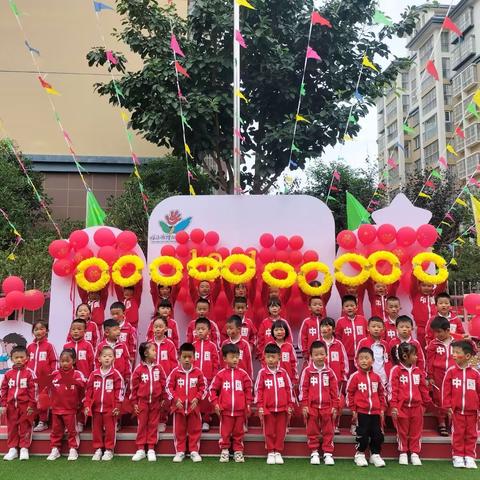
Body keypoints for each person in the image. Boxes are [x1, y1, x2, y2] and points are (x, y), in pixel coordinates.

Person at [389, 342, 431, 466]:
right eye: (414, 355)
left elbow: (423, 388)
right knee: (402, 431)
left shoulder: (418, 371)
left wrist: (426, 403)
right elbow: (393, 389)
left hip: (416, 407)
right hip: (402, 408)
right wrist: (394, 406)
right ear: (405, 356)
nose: (417, 357)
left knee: (416, 431)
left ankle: (414, 453)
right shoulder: (396, 371)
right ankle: (403, 452)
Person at [209, 343, 253, 463]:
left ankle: (238, 451)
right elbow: (212, 390)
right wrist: (216, 403)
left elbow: (249, 390)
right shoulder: (220, 374)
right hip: (225, 411)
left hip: (240, 411)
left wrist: (248, 404)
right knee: (225, 432)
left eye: (237, 356)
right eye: (232, 356)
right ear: (224, 359)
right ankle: (224, 451)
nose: (235, 359)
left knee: (239, 432)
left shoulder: (243, 374)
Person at [254, 343, 295, 465]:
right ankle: (270, 451)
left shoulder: (283, 373)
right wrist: (260, 406)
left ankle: (278, 451)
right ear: (264, 358)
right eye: (268, 357)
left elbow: (289, 389)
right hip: (268, 409)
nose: (270, 360)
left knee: (281, 431)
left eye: (273, 357)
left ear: (279, 358)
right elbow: (258, 390)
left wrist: (290, 405)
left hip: (282, 409)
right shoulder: (262, 373)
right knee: (269, 431)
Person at [299, 340, 338, 466]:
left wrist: (335, 406)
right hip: (312, 407)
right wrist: (304, 405)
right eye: (316, 355)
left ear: (326, 355)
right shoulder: (308, 371)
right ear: (311, 356)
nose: (319, 357)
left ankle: (328, 453)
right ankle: (314, 452)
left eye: (322, 354)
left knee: (328, 430)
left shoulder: (330, 372)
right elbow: (303, 389)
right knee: (312, 430)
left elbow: (334, 391)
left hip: (327, 406)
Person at [166, 343, 207, 463]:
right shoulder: (175, 372)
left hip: (193, 408)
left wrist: (198, 398)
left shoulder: (198, 372)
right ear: (179, 357)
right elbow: (168, 387)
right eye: (184, 357)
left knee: (195, 429)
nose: (187, 359)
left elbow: (204, 387)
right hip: (178, 408)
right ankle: (180, 451)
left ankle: (194, 451)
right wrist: (175, 399)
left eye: (190, 357)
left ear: (194, 357)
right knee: (179, 430)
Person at [442, 340, 480, 469]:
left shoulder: (475, 374)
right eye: (453, 352)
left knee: (472, 434)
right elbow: (446, 391)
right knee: (458, 434)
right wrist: (447, 406)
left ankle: (469, 456)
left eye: (457, 352)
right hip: (457, 411)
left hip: (472, 412)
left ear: (467, 356)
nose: (453, 355)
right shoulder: (451, 372)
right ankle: (457, 455)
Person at [346, 347, 386, 468]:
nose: (363, 361)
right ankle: (360, 454)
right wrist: (353, 409)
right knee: (362, 435)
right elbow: (349, 393)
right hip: (361, 412)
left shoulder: (377, 377)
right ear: (357, 361)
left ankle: (375, 455)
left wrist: (382, 408)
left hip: (375, 412)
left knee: (377, 435)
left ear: (373, 360)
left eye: (366, 358)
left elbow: (381, 393)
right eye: (361, 358)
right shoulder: (355, 377)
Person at [84, 345, 124, 461]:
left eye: (110, 356)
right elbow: (88, 391)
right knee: (96, 430)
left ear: (114, 359)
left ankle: (108, 450)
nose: (107, 358)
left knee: (110, 430)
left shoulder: (116, 375)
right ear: (99, 359)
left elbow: (120, 391)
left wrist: (117, 406)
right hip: (96, 409)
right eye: (104, 356)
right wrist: (87, 405)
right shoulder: (94, 374)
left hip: (110, 409)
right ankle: (98, 449)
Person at [46, 349, 86, 461]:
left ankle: (73, 449)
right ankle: (55, 449)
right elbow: (46, 387)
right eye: (62, 361)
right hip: (56, 409)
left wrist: (71, 380)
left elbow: (84, 385)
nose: (64, 363)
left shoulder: (78, 374)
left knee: (72, 431)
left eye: (67, 361)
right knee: (55, 431)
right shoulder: (55, 374)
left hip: (70, 409)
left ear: (73, 361)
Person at [130, 342, 166, 462]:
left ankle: (151, 449)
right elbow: (133, 388)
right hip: (142, 403)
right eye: (153, 350)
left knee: (153, 425)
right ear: (145, 353)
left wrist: (163, 398)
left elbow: (163, 383)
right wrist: (134, 403)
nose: (156, 352)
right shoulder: (138, 370)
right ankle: (140, 449)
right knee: (142, 425)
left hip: (155, 402)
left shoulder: (159, 368)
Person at [0, 345, 36, 461]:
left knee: (25, 427)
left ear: (27, 358)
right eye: (16, 358)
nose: (19, 360)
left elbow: (34, 391)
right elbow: (4, 389)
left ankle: (24, 448)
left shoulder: (30, 374)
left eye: (22, 357)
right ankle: (13, 449)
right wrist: (3, 404)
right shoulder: (8, 374)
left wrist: (31, 405)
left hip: (25, 406)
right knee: (12, 427)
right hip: (11, 406)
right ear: (11, 359)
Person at [63, 318, 95, 432]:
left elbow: (93, 362)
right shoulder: (67, 346)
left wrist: (91, 377)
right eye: (73, 329)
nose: (76, 331)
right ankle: (70, 423)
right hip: (70, 378)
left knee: (82, 400)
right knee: (71, 400)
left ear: (85, 331)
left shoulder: (88, 345)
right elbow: (63, 361)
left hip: (84, 379)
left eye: (79, 329)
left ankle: (81, 422)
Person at [27, 320, 57, 433]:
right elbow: (26, 361)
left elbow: (55, 361)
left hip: (44, 379)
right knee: (32, 399)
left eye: (41, 328)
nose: (39, 331)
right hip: (31, 380)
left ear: (46, 331)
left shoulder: (49, 346)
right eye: (36, 329)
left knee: (43, 400)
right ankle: (32, 419)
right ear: (33, 332)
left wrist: (52, 375)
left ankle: (43, 421)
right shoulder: (30, 347)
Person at [426, 316, 454, 436]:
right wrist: (430, 376)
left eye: (439, 332)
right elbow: (430, 361)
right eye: (435, 332)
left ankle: (452, 422)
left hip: (453, 373)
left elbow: (471, 349)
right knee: (439, 398)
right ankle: (441, 422)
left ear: (448, 330)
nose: (437, 334)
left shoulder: (456, 342)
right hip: (438, 374)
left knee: (453, 397)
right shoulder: (433, 344)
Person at [320, 317, 349, 433]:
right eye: (323, 326)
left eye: (328, 326)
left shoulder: (338, 344)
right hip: (321, 380)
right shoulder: (318, 343)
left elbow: (345, 362)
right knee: (323, 403)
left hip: (336, 381)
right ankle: (323, 425)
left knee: (338, 402)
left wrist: (343, 376)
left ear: (333, 329)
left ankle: (335, 425)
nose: (325, 328)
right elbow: (312, 361)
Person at [149, 316, 177, 433]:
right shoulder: (149, 344)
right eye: (156, 327)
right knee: (154, 399)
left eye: (161, 327)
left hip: (166, 378)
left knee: (164, 400)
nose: (158, 329)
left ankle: (162, 420)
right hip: (152, 377)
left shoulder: (170, 344)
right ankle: (152, 420)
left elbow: (174, 362)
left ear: (166, 328)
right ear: (152, 328)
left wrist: (171, 377)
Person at [192, 317, 219, 432]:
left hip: (208, 378)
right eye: (198, 329)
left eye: (203, 329)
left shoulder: (212, 346)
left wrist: (214, 376)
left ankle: (206, 420)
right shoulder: (193, 345)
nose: (200, 331)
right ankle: (196, 419)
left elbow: (216, 362)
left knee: (207, 400)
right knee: (196, 398)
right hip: (195, 378)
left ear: (208, 331)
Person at [96, 319, 131, 391]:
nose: (118, 332)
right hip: (105, 378)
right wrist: (98, 374)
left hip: (120, 377)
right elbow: (96, 361)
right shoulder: (101, 346)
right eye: (115, 330)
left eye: (119, 329)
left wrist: (128, 375)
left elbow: (127, 361)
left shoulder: (122, 345)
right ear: (107, 332)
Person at [410, 277, 446, 348]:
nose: (426, 288)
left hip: (436, 328)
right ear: (419, 286)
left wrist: (444, 273)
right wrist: (415, 272)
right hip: (421, 329)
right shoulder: (415, 294)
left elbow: (442, 285)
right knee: (422, 348)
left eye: (429, 286)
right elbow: (413, 283)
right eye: (424, 285)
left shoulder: (435, 295)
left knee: (436, 347)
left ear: (433, 286)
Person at [335, 295, 368, 374]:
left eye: (352, 305)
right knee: (348, 377)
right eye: (346, 306)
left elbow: (367, 335)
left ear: (356, 307)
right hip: (347, 357)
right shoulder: (340, 322)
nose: (349, 308)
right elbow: (338, 339)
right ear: (343, 309)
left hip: (362, 356)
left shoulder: (362, 319)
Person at [356, 317, 391, 387]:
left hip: (383, 378)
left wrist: (388, 373)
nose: (376, 329)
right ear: (368, 328)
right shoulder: (363, 342)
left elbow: (388, 360)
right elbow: (356, 359)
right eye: (373, 326)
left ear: (383, 329)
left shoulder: (385, 344)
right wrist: (363, 373)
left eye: (379, 327)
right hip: (368, 376)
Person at [264, 320, 298, 386]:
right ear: (272, 332)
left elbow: (294, 363)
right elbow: (264, 362)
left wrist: (294, 379)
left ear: (286, 331)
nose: (279, 332)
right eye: (276, 330)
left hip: (287, 379)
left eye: (281, 330)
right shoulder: (269, 345)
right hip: (272, 378)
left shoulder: (289, 347)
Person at [221, 315, 253, 379]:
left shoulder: (245, 344)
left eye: (231, 328)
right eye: (227, 328)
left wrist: (250, 380)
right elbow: (222, 362)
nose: (228, 330)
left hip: (242, 378)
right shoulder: (224, 343)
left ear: (238, 329)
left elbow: (249, 364)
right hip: (227, 378)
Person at [298, 296, 325, 363]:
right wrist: (305, 352)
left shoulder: (325, 321)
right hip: (310, 355)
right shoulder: (306, 322)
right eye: (315, 305)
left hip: (324, 354)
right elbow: (302, 338)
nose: (318, 307)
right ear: (309, 307)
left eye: (320, 305)